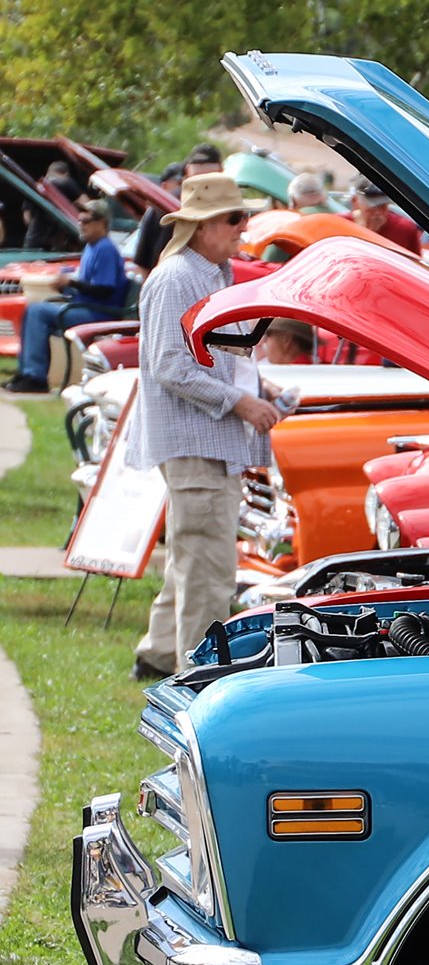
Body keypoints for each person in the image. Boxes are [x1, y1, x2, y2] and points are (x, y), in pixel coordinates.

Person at [128, 171, 292, 681]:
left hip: (204, 440)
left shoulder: (210, 274)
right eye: (234, 218)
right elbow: (169, 366)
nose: (243, 227)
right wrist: (240, 402)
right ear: (201, 226)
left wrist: (257, 388)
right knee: (209, 569)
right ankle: (197, 679)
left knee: (192, 556)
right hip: (196, 441)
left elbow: (215, 356)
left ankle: (158, 655)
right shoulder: (177, 278)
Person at [8, 197, 127, 394]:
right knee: (32, 310)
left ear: (102, 223)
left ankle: (35, 377)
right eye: (80, 220)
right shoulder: (91, 247)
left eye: (86, 221)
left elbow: (104, 289)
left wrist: (70, 282)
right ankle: (26, 372)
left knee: (37, 312)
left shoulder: (105, 248)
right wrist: (66, 281)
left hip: (99, 313)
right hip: (84, 307)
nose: (81, 225)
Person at [134, 142, 222, 273]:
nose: (203, 187)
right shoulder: (163, 205)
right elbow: (143, 263)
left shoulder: (224, 211)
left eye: (210, 180)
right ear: (186, 174)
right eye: (198, 179)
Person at [349, 184, 422, 255]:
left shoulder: (405, 228)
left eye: (383, 206)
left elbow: (415, 260)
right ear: (355, 201)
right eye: (372, 206)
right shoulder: (344, 223)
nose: (378, 212)